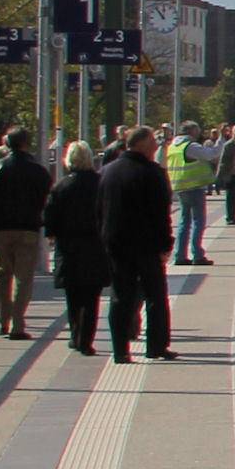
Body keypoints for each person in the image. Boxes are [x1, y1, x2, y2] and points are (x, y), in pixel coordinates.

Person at [98, 126, 176, 362]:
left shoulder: (107, 171)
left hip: (116, 244)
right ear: (141, 144)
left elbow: (99, 209)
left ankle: (120, 350)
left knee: (120, 296)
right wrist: (166, 245)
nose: (156, 146)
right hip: (147, 245)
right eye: (152, 141)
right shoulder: (152, 173)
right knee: (155, 296)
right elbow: (161, 213)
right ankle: (156, 346)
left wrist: (103, 238)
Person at [0, 126, 51, 338]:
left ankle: (4, 319)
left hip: (0, 229)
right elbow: (44, 197)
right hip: (27, 228)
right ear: (27, 143)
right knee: (23, 277)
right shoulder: (37, 170)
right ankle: (18, 323)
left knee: (1, 274)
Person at [43, 141, 108, 357]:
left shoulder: (61, 186)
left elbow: (50, 218)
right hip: (95, 246)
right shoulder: (100, 184)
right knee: (92, 297)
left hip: (69, 248)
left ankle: (75, 334)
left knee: (73, 296)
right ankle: (86, 339)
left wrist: (52, 235)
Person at [168, 124, 212, 266]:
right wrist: (220, 144)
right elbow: (210, 154)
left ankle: (180, 255)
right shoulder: (190, 145)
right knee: (198, 221)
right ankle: (197, 254)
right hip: (194, 186)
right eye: (197, 130)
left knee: (184, 222)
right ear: (192, 131)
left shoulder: (173, 146)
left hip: (180, 187)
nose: (199, 132)